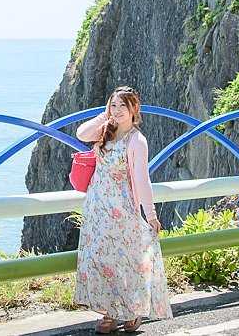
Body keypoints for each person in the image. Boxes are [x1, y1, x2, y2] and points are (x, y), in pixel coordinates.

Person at [74, 86, 172, 333]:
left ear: (133, 109)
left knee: (124, 261)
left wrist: (150, 214)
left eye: (122, 106)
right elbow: (81, 133)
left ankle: (131, 311)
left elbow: (142, 178)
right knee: (99, 258)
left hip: (122, 207)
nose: (117, 111)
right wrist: (104, 116)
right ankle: (109, 313)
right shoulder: (107, 130)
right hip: (97, 208)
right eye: (113, 105)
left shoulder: (136, 140)